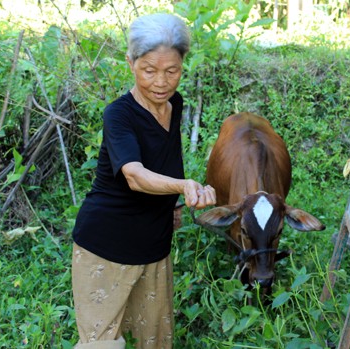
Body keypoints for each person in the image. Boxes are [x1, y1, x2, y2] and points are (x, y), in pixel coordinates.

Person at [71, 13, 216, 349]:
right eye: (149, 70)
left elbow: (164, 156)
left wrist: (175, 204)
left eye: (172, 71)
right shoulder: (118, 114)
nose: (161, 82)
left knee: (155, 338)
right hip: (106, 244)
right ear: (130, 62)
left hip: (154, 243)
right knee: (100, 342)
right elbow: (135, 175)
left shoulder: (174, 103)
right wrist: (183, 185)